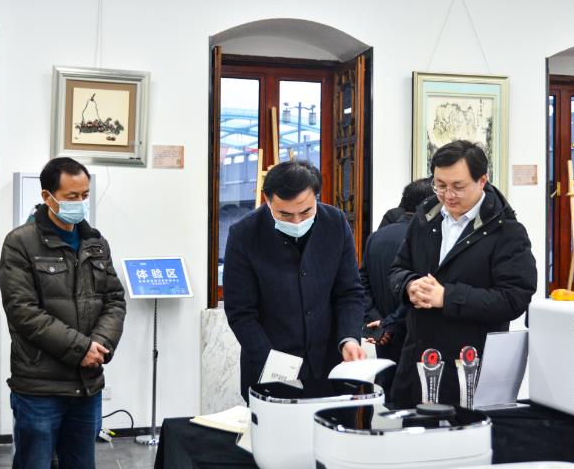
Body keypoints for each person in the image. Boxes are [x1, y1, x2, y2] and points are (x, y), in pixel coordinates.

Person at [389, 140, 537, 407]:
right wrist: (409, 285)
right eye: (440, 185)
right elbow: (398, 269)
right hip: (418, 359)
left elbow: (514, 298)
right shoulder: (425, 217)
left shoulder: (506, 231)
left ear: (482, 181)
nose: (448, 195)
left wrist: (447, 297)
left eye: (458, 186)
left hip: (469, 367)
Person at [0, 157, 126, 469]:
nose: (80, 203)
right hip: (40, 388)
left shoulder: (95, 242)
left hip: (87, 385)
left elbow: (114, 300)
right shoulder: (20, 242)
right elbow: (23, 311)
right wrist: (81, 349)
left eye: (85, 195)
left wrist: (98, 346)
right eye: (72, 197)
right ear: (47, 196)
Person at [224, 160, 366, 401]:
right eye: (285, 214)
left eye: (306, 212)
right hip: (270, 370)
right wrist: (273, 364)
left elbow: (349, 292)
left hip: (330, 368)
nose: (297, 222)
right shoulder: (245, 234)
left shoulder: (335, 223)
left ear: (316, 197)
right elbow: (241, 312)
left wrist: (349, 338)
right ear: (267, 200)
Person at [360, 178, 434, 392]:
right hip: (412, 333)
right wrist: (390, 323)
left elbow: (362, 282)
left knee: (387, 391)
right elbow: (418, 289)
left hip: (383, 336)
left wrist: (377, 321)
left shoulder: (376, 237)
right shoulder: (422, 239)